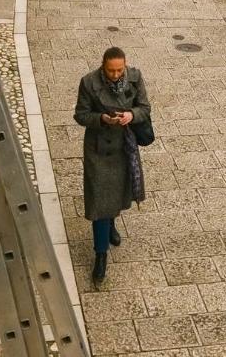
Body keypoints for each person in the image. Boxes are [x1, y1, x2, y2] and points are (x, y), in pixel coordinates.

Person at [74, 47, 150, 285]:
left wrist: (131, 115)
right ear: (103, 66)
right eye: (111, 71)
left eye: (120, 70)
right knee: (99, 202)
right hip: (99, 149)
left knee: (115, 194)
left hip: (124, 147)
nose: (116, 75)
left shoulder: (135, 78)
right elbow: (80, 115)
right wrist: (102, 119)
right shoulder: (88, 83)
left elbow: (145, 107)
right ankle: (100, 255)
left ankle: (111, 224)